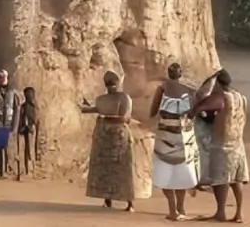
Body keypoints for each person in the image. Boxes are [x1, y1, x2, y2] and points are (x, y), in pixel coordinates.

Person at [81, 70, 148, 212]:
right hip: (109, 136)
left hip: (113, 135)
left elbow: (122, 118)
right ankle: (113, 200)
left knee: (121, 167)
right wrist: (86, 107)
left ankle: (127, 202)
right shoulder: (117, 98)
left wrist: (103, 116)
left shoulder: (120, 98)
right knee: (111, 168)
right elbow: (120, 117)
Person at [187, 69, 248, 223]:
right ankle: (239, 213)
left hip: (222, 143)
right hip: (238, 142)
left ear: (218, 83)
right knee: (236, 179)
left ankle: (220, 212)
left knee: (220, 179)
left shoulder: (220, 97)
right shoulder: (241, 98)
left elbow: (197, 109)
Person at [150, 63, 199, 221]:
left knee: (164, 170)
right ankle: (181, 207)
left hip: (166, 134)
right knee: (181, 170)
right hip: (185, 134)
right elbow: (195, 111)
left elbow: (152, 111)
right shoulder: (190, 88)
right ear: (181, 74)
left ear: (168, 73)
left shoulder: (162, 88)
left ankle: (172, 209)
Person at [193, 71, 220, 191]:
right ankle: (203, 178)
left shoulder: (210, 88)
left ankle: (203, 178)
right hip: (205, 119)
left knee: (203, 150)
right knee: (205, 150)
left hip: (205, 119)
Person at [18, 86, 40, 179]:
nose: (29, 96)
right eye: (27, 95)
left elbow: (36, 119)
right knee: (24, 150)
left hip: (31, 129)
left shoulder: (35, 107)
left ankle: (31, 170)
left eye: (30, 95)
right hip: (24, 129)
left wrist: (31, 126)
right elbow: (21, 117)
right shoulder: (23, 106)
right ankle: (25, 170)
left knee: (31, 149)